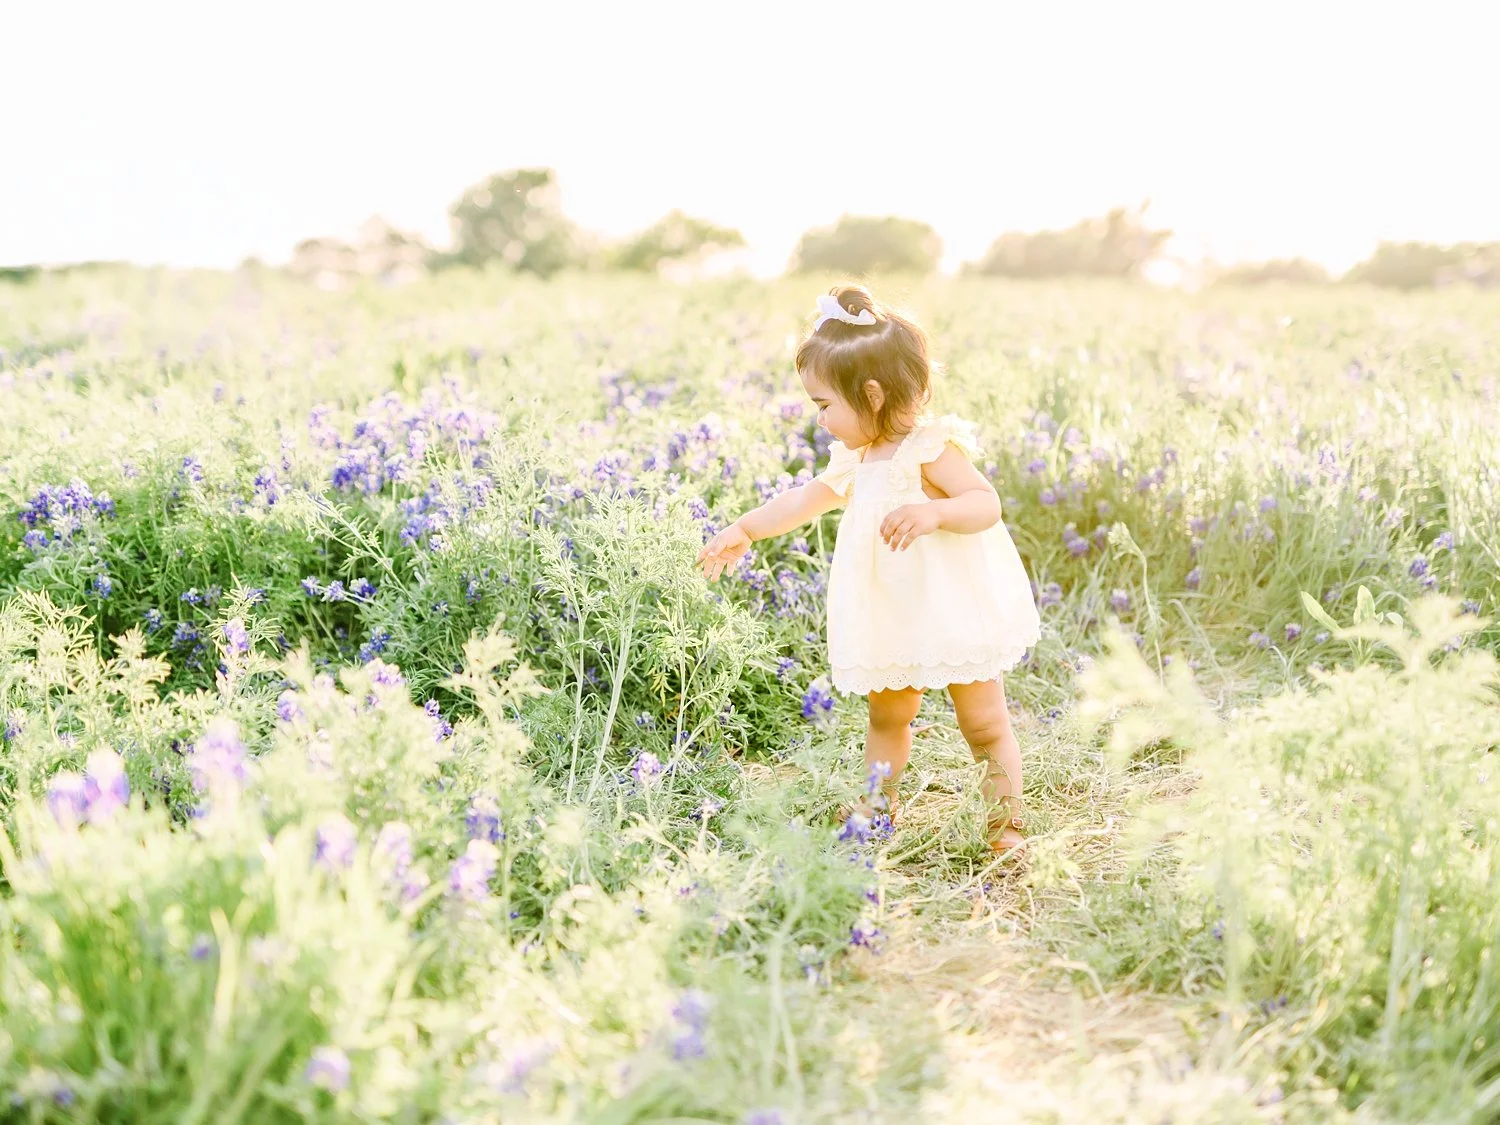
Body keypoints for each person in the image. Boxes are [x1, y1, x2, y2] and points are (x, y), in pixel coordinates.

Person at [697, 285, 1042, 855]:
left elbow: (986, 504)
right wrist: (746, 528)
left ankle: (1006, 825)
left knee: (983, 723)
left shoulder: (930, 449)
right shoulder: (855, 460)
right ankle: (878, 810)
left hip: (954, 606)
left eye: (824, 405)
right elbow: (803, 500)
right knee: (888, 716)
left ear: (872, 395)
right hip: (892, 613)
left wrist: (934, 511)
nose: (821, 420)